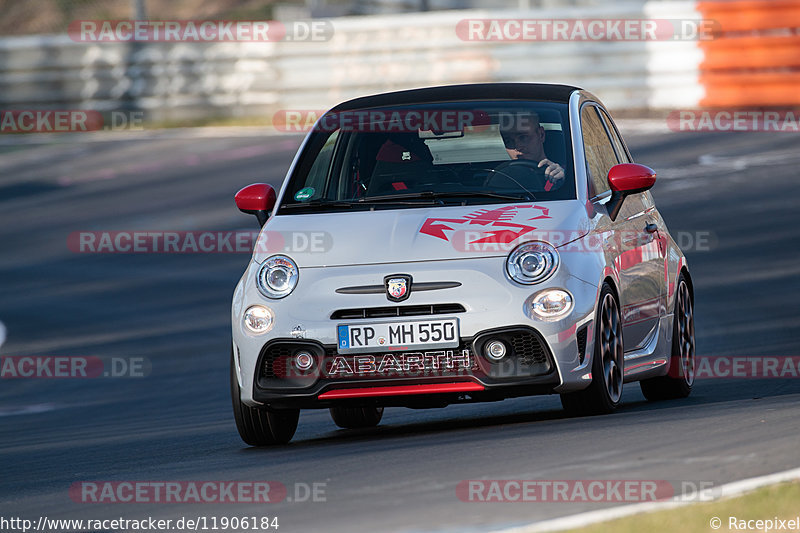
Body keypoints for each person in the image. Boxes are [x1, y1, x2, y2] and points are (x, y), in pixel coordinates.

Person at [499, 113, 565, 191]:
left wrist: (565, 180)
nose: (517, 146)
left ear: (541, 134)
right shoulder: (502, 179)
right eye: (508, 141)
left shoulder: (569, 173)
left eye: (523, 137)